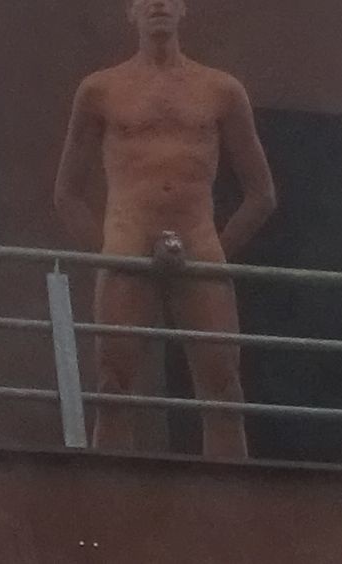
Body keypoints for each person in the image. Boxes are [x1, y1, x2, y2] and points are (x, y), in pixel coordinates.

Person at [54, 0, 276, 459]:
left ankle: (229, 497)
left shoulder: (220, 89)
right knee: (113, 387)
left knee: (224, 389)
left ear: (183, 8)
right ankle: (111, 495)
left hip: (198, 241)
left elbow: (261, 193)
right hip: (127, 241)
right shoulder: (100, 89)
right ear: (130, 10)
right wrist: (106, 253)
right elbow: (66, 193)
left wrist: (216, 249)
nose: (158, 4)